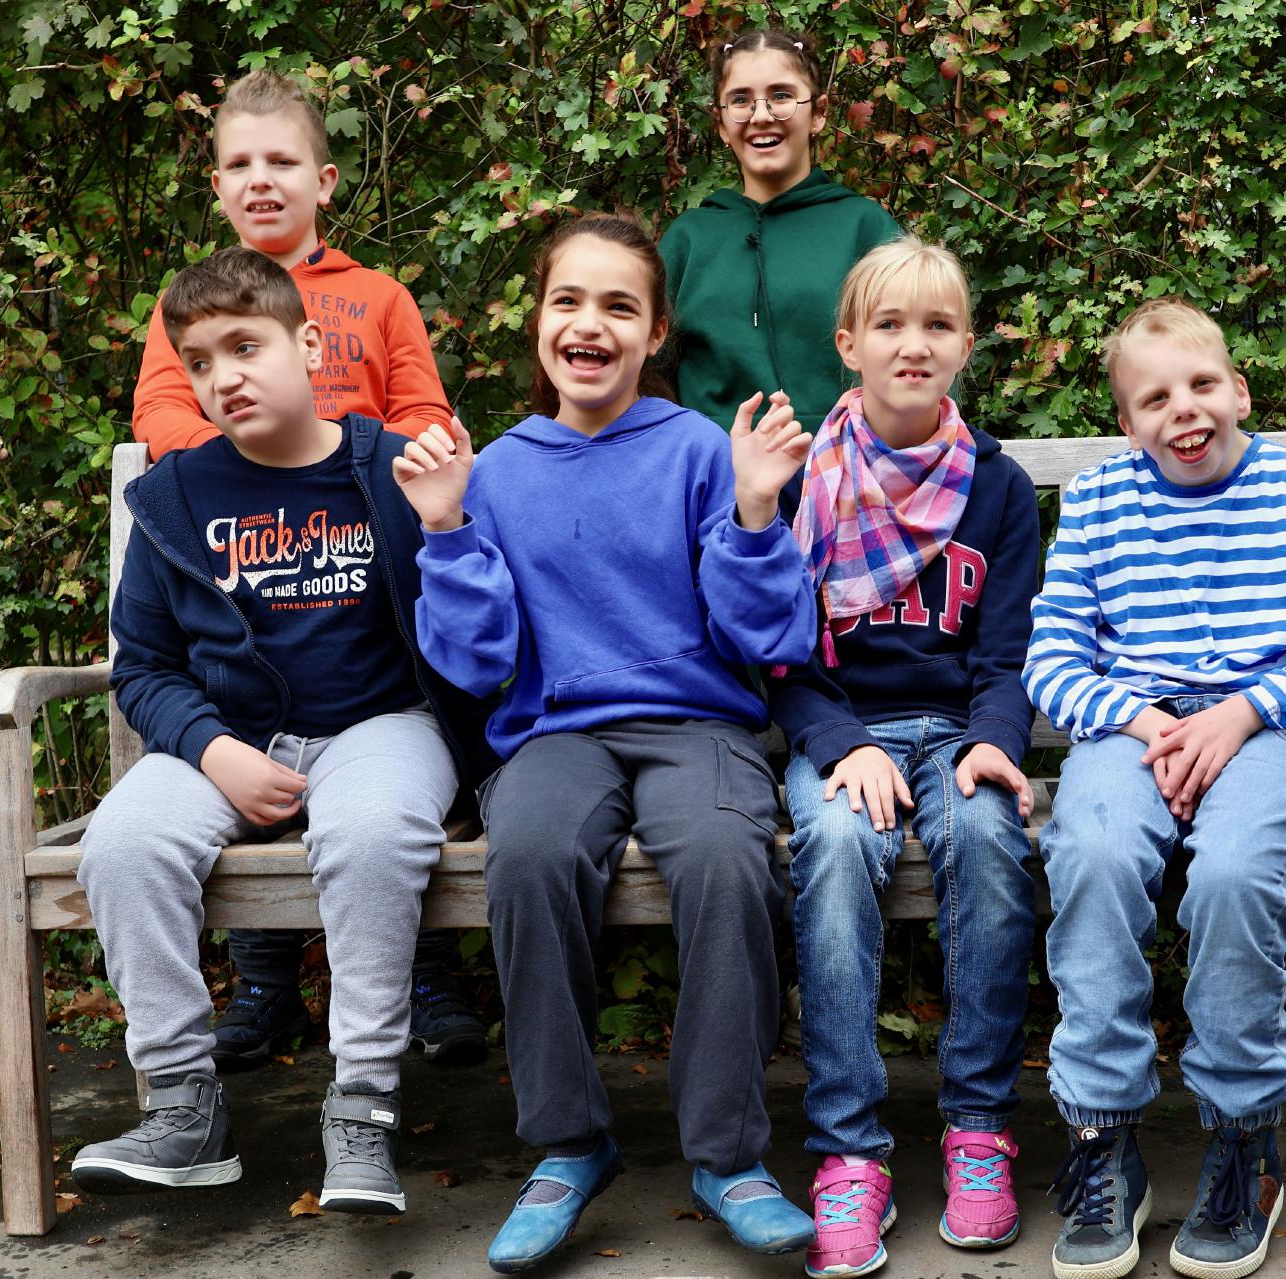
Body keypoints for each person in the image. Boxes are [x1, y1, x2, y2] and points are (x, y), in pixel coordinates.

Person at [392, 211, 818, 1273]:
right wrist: (444, 526)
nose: (591, 324)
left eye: (619, 306)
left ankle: (727, 1153)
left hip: (698, 726)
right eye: (568, 301)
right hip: (556, 735)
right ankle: (569, 1143)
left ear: (655, 332)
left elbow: (768, 636)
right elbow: (474, 662)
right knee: (532, 851)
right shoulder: (496, 470)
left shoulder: (699, 451)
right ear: (539, 320)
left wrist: (755, 509)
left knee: (724, 858)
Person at [70, 247, 487, 1214]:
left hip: (381, 725)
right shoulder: (177, 495)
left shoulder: (387, 468)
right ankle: (183, 1107)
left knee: (373, 833)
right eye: (199, 362)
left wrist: (447, 522)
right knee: (122, 843)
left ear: (309, 347)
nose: (224, 377)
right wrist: (214, 749)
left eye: (245, 347)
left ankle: (364, 1104)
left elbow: (467, 637)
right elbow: (144, 666)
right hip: (228, 737)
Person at [1023, 298, 1286, 1279]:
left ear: (1239, 391)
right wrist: (1145, 722)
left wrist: (1241, 712)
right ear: (1127, 422)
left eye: (1200, 385)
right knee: (1094, 852)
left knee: (1229, 872)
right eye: (1153, 398)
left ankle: (1244, 1141)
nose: (1181, 408)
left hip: (1279, 729)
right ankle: (1104, 1140)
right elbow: (1051, 661)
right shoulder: (1100, 502)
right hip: (1137, 731)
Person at [130, 68, 484, 1069]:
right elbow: (160, 414)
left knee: (376, 768)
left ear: (323, 180)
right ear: (216, 187)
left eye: (281, 160)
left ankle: (422, 978)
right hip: (248, 559)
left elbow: (423, 413)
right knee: (253, 706)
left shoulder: (375, 297)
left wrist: (350, 455)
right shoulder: (188, 308)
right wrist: (244, 461)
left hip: (358, 551)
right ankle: (266, 984)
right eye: (239, 164)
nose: (261, 179)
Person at [770, 237, 1041, 1278]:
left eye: (937, 325)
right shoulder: (805, 481)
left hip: (960, 729)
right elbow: (781, 659)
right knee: (837, 848)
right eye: (889, 324)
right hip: (846, 729)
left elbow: (1008, 654)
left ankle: (979, 1128)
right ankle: (849, 1148)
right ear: (849, 344)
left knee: (987, 837)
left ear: (966, 347)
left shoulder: (999, 489)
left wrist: (995, 743)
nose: (913, 345)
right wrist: (841, 744)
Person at [660, 28, 902, 431]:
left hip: (848, 459)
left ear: (819, 112)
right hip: (713, 462)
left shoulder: (867, 230)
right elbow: (644, 372)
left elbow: (918, 354)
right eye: (741, 100)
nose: (761, 115)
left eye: (781, 96)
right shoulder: (688, 240)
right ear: (721, 123)